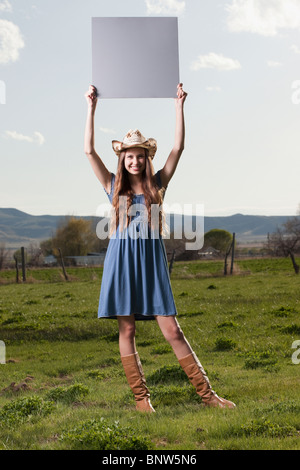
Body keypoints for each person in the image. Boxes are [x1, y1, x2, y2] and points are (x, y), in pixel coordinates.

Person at [84, 84, 236, 412]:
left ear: (146, 159)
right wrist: (91, 108)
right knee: (127, 327)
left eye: (140, 155)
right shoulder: (112, 187)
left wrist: (179, 104)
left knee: (172, 328)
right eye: (129, 156)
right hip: (121, 264)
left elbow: (178, 147)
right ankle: (142, 401)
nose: (135, 161)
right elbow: (88, 151)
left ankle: (209, 396)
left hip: (151, 266)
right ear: (122, 159)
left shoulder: (158, 186)